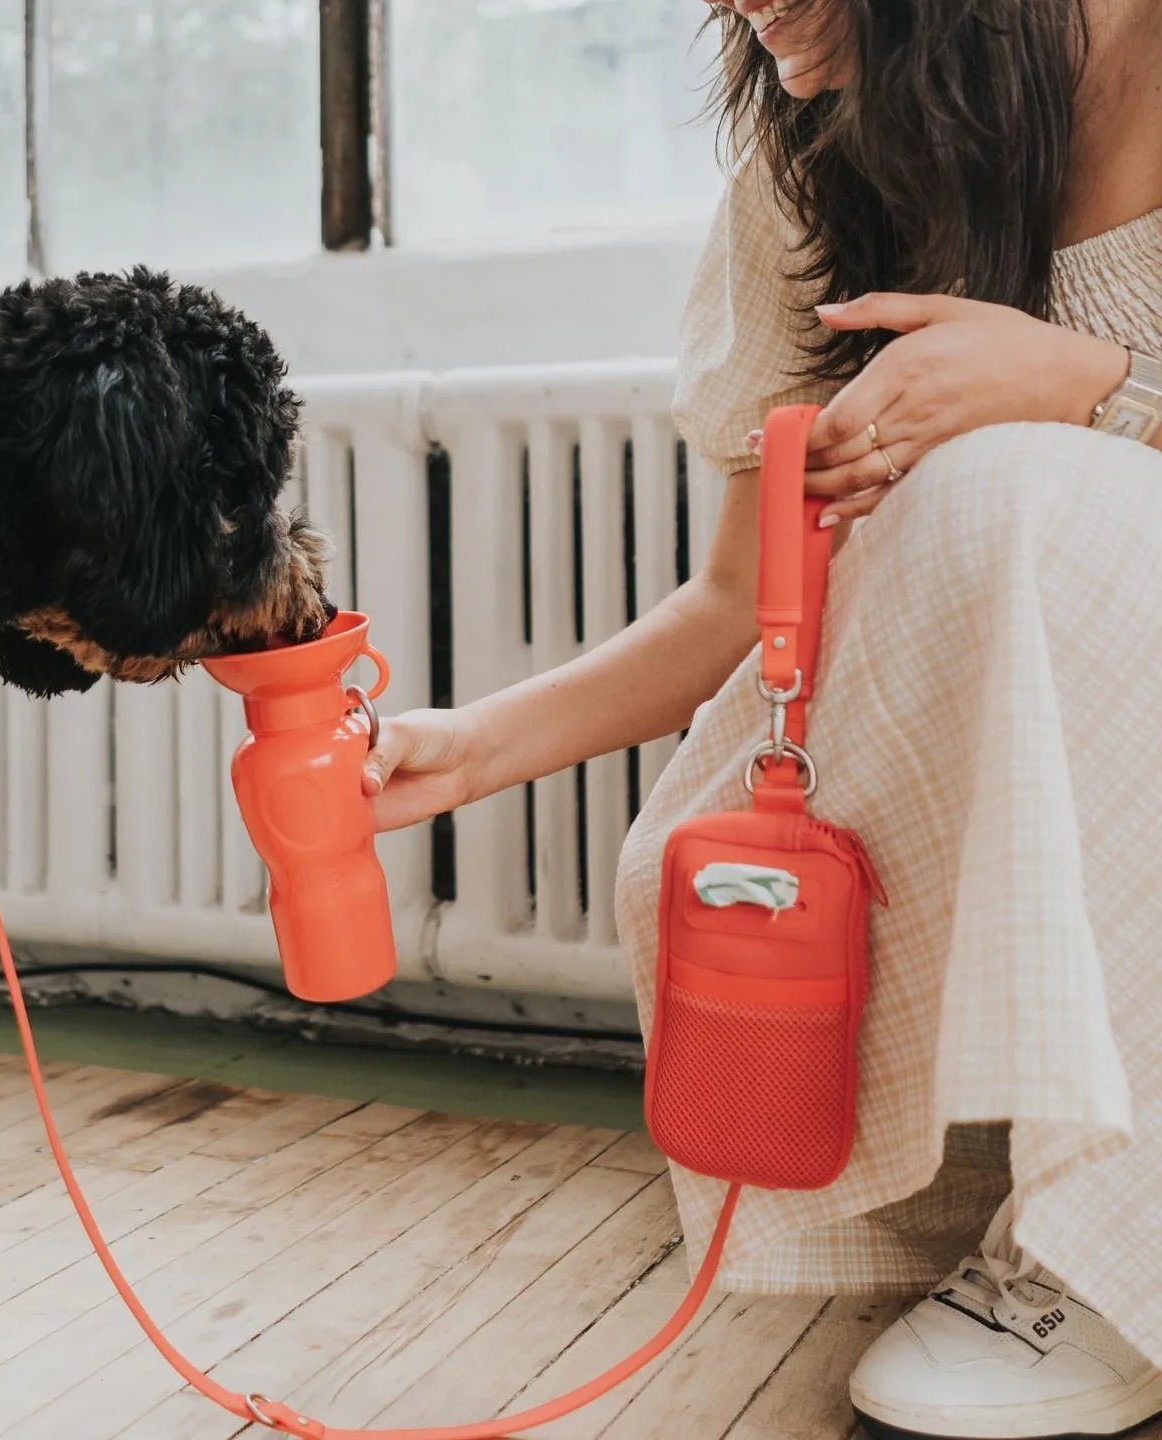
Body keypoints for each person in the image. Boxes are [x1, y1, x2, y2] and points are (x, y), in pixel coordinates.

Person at [362, 2, 1162, 1436]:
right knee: (739, 783)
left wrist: (1093, 391)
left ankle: (1113, 1247)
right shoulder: (821, 150)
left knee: (1005, 490)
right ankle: (1058, 1187)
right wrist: (470, 750)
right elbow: (742, 597)